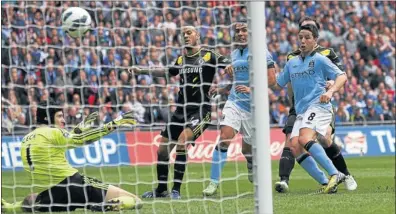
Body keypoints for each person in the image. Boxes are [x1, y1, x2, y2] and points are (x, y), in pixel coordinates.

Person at [129, 26, 230, 199]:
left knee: (183, 141)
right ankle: (161, 190)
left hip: (200, 111)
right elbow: (166, 72)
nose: (185, 35)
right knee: (162, 151)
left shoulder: (209, 55)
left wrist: (224, 82)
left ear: (197, 35)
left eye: (189, 32)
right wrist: (142, 70)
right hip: (180, 110)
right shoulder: (181, 59)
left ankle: (175, 190)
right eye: (183, 34)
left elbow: (229, 66)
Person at [1, 101, 142, 213]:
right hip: (74, 184)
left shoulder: (26, 139)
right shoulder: (53, 132)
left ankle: (7, 207)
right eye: (59, 116)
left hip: (51, 195)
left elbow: (58, 148)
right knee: (135, 201)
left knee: (31, 200)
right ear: (47, 118)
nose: (64, 120)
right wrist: (114, 124)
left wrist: (79, 128)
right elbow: (81, 140)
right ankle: (106, 206)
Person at [275, 16, 357, 193]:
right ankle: (325, 182)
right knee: (295, 146)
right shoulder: (291, 61)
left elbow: (342, 76)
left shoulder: (321, 58)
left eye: (307, 37)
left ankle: (337, 174)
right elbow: (277, 83)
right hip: (300, 110)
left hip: (319, 105)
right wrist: (263, 68)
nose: (303, 41)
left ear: (315, 39)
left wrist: (330, 90)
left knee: (309, 138)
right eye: (300, 37)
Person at [202, 21, 276, 196]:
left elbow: (272, 81)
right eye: (238, 31)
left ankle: (250, 164)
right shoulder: (234, 54)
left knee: (247, 150)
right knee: (224, 138)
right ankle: (213, 183)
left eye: (244, 30)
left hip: (253, 107)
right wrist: (221, 88)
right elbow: (237, 82)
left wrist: (252, 89)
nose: (241, 33)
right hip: (234, 102)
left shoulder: (261, 52)